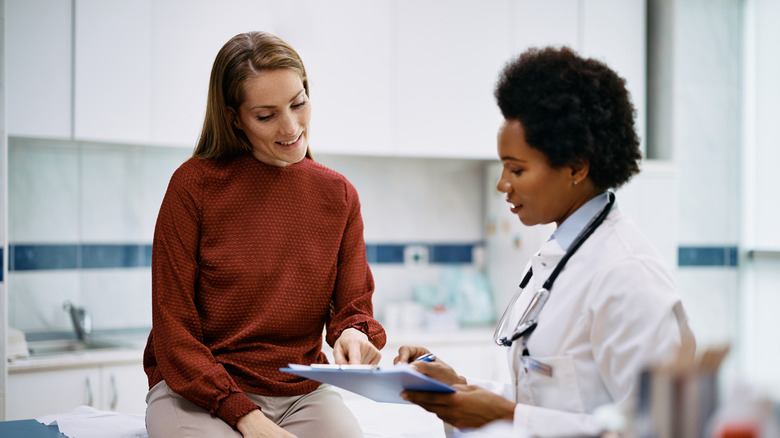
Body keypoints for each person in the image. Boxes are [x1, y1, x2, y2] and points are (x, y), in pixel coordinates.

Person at [395, 46, 696, 437]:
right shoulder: (557, 259)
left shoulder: (627, 274)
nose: (503, 185)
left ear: (576, 166)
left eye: (516, 169)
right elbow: (549, 400)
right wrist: (458, 389)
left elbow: (660, 429)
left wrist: (504, 416)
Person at [143, 31, 386, 438]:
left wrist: (352, 334)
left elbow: (353, 306)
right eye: (266, 115)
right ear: (234, 116)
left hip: (299, 392)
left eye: (298, 103)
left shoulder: (338, 195)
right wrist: (247, 418)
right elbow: (174, 332)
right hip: (198, 390)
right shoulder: (193, 186)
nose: (291, 127)